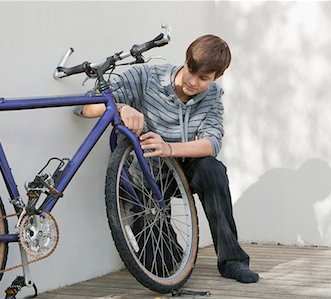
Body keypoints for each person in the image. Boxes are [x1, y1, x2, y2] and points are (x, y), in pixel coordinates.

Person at [79, 34, 259, 283]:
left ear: (216, 77)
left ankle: (233, 262)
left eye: (203, 78)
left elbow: (211, 143)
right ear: (185, 60)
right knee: (163, 266)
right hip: (146, 172)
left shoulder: (212, 96)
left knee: (212, 170)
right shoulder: (146, 77)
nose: (193, 82)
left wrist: (170, 148)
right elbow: (86, 107)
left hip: (183, 164)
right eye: (191, 71)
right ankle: (172, 254)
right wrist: (121, 108)